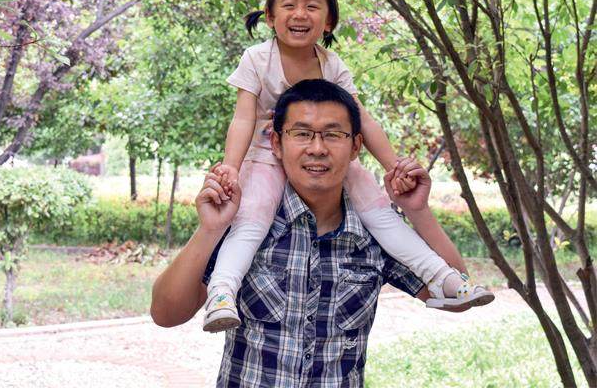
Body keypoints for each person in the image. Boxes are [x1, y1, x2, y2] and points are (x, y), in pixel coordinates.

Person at [203, 0, 493, 332]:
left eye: (312, 6)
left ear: (329, 22)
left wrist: (393, 166)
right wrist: (231, 167)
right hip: (265, 156)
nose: (300, 14)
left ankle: (444, 278)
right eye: (289, 5)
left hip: (327, 154)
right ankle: (222, 293)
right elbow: (243, 118)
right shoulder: (257, 59)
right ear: (271, 17)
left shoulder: (333, 65)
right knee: (252, 221)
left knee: (381, 213)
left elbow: (363, 121)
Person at [150, 80, 493, 386]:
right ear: (276, 143)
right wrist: (210, 229)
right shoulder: (247, 222)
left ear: (356, 146)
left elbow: (457, 297)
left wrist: (418, 211)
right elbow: (166, 315)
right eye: (301, 134)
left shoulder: (376, 233)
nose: (317, 148)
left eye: (333, 134)